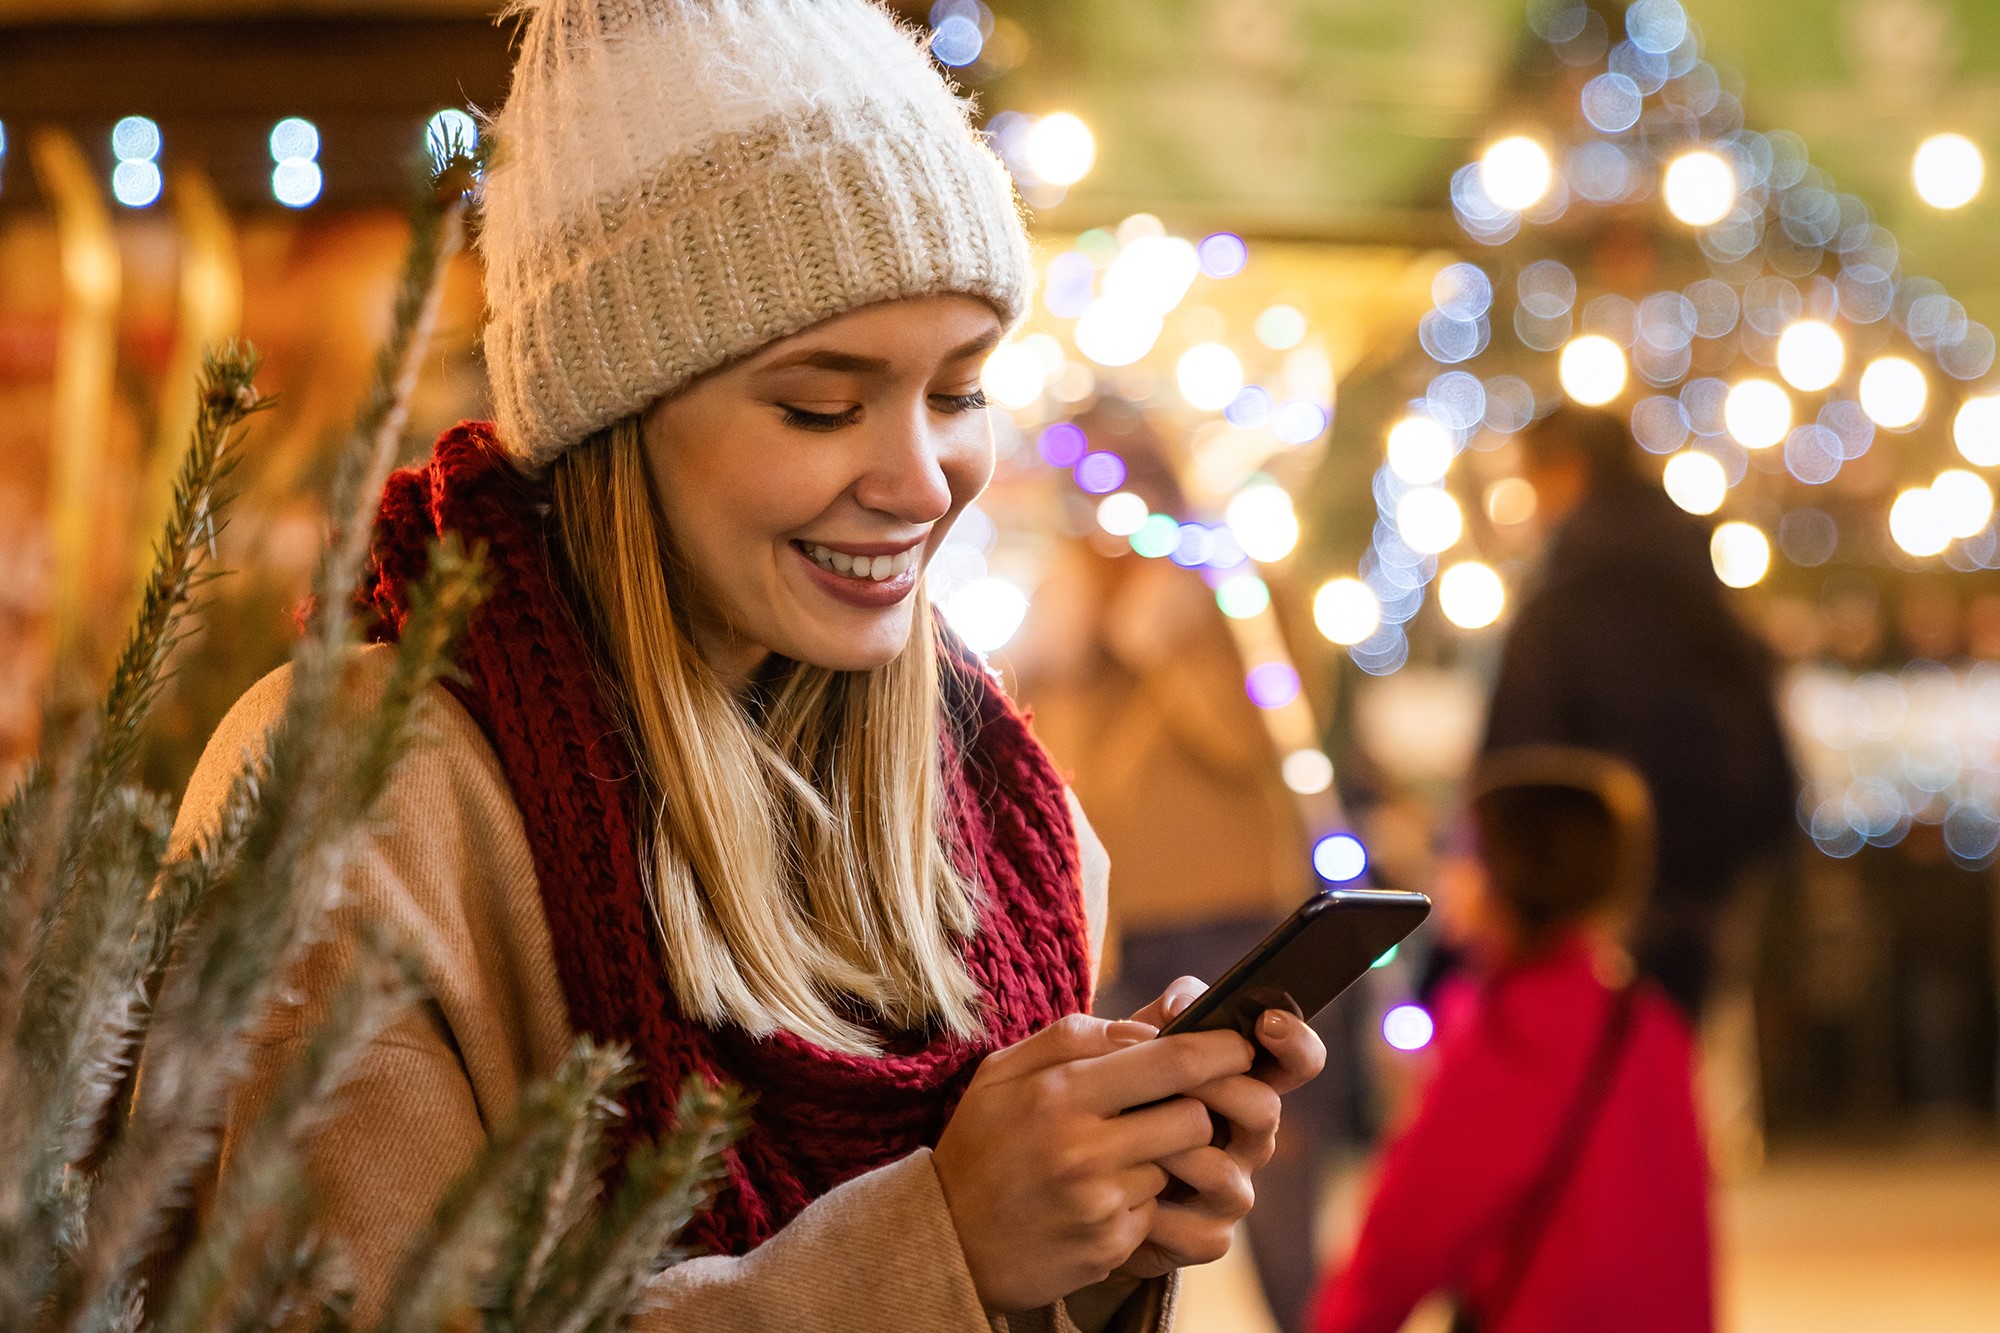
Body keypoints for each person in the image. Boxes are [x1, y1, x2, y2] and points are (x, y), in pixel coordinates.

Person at [170, 3, 1325, 1329]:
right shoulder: (361, 800)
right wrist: (939, 1247)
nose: (917, 481)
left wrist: (1100, 1224)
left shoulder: (1006, 830)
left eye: (957, 392)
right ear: (618, 416)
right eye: (820, 405)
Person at [1008, 404, 1330, 1333]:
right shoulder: (1058, 616)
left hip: (1237, 918)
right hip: (1109, 936)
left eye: (1125, 483)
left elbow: (1253, 742)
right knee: (1117, 1201)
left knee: (1271, 1181)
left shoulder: (1242, 596)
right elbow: (1057, 782)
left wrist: (1164, 638)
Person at [1310, 747, 1712, 1333]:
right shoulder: (1651, 1022)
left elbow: (1407, 1237)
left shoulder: (1507, 1033)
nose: (1446, 873)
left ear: (1514, 872)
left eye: (1463, 852)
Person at [1484, 405, 1794, 1020]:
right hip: (1707, 886)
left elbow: (1517, 758)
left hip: (1592, 894)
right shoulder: (1699, 585)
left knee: (1596, 1077)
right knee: (1676, 1072)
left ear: (1566, 472)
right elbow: (1761, 733)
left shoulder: (1563, 606)